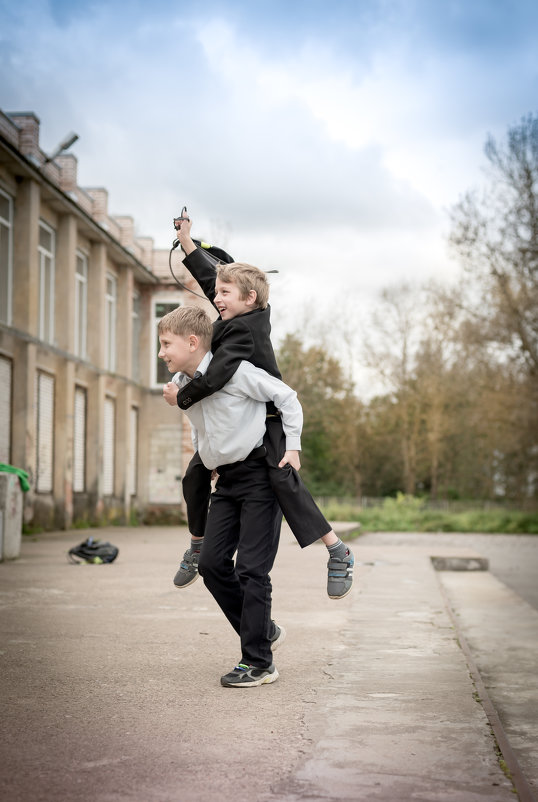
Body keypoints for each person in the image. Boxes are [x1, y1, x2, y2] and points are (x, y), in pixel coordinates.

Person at [165, 214, 354, 600]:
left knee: (284, 481)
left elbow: (215, 378)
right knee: (195, 474)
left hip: (269, 419)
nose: (216, 299)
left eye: (224, 294)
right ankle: (198, 542)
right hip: (243, 416)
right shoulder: (235, 312)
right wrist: (187, 242)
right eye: (217, 293)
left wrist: (180, 398)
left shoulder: (245, 332)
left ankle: (337, 550)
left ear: (249, 298)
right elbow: (211, 276)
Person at [158, 305, 303, 687]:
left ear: (192, 342)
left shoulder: (237, 371)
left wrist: (293, 448)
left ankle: (258, 661)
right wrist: (209, 459)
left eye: (165, 344)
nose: (161, 353)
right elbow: (201, 428)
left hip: (260, 478)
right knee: (211, 564)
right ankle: (263, 631)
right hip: (226, 482)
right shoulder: (182, 383)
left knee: (252, 570)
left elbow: (287, 398)